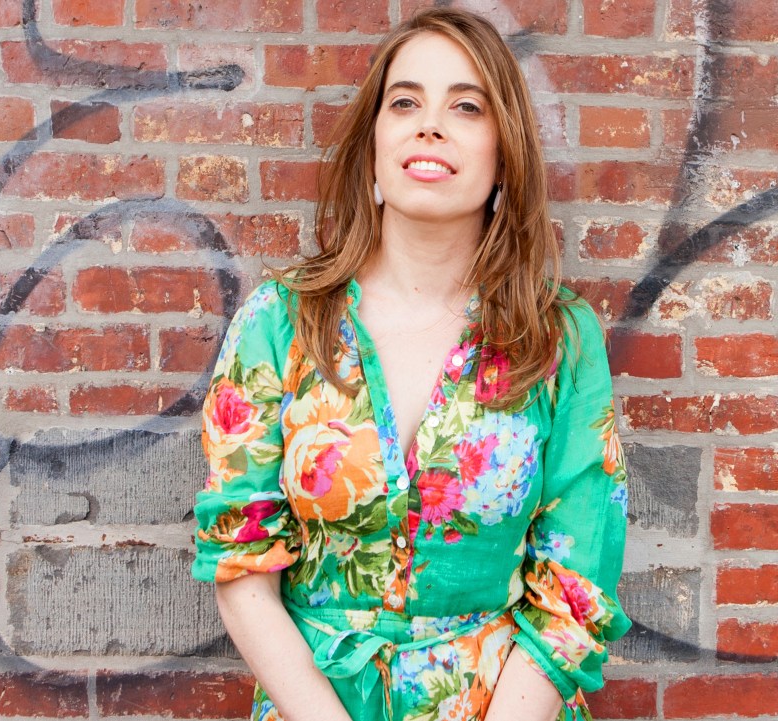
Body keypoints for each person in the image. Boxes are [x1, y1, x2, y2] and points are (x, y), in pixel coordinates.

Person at [191, 8, 631, 721]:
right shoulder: (278, 323)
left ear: (504, 154)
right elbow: (239, 563)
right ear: (373, 143)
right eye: (404, 102)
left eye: (466, 106)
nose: (429, 125)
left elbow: (575, 591)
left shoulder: (559, 339)